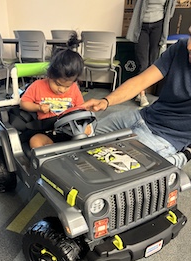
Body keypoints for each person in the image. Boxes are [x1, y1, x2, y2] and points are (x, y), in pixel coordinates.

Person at [81, 27, 191, 169]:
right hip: (142, 115)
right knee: (84, 136)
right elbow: (140, 82)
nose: (189, 46)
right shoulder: (180, 48)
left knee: (115, 168)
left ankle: (177, 158)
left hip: (165, 137)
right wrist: (106, 101)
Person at [20, 32, 86, 148]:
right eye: (57, 84)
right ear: (50, 75)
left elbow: (81, 108)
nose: (61, 89)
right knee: (35, 141)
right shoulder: (38, 86)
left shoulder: (74, 88)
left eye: (67, 86)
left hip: (70, 131)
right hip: (47, 131)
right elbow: (23, 103)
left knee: (88, 130)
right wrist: (38, 107)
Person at [126, 0, 177, 108]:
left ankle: (140, 91)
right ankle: (142, 94)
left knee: (153, 62)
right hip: (141, 26)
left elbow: (170, 10)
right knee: (143, 63)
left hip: (158, 25)